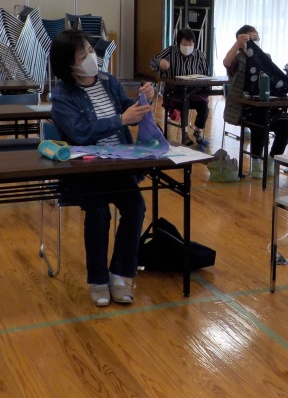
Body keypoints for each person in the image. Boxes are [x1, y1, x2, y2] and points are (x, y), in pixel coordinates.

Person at [50, 29, 156, 307]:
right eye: (82, 55)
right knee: (98, 213)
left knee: (135, 206)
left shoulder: (109, 81)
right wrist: (120, 119)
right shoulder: (62, 96)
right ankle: (98, 281)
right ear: (68, 64)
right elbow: (80, 132)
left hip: (118, 164)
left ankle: (119, 275)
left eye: (90, 50)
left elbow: (129, 111)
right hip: (86, 169)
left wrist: (143, 99)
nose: (91, 57)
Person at [222, 25, 288, 178]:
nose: (254, 42)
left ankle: (272, 159)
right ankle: (256, 162)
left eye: (256, 39)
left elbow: (273, 78)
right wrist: (237, 44)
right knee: (260, 124)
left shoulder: (264, 57)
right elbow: (227, 63)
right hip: (246, 108)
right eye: (250, 39)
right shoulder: (238, 58)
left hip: (266, 106)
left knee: (286, 127)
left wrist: (287, 86)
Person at [150, 28, 211, 149]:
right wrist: (160, 62)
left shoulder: (199, 55)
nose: (187, 47)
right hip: (175, 92)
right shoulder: (170, 51)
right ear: (178, 44)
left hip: (195, 91)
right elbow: (152, 61)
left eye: (190, 44)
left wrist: (206, 87)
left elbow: (207, 75)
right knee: (184, 103)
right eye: (184, 44)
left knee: (204, 108)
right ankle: (185, 135)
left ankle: (197, 132)